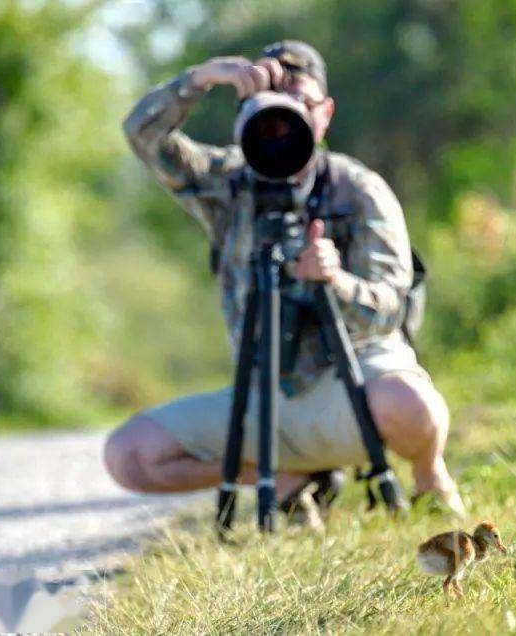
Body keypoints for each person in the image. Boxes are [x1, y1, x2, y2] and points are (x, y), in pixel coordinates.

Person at [104, 40, 465, 519]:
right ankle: (288, 479)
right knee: (129, 456)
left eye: (300, 104)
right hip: (263, 391)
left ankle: (427, 474)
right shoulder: (229, 183)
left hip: (353, 384)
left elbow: (392, 311)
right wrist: (199, 79)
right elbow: (141, 135)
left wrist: (336, 280)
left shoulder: (357, 190)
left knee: (414, 405)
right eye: (272, 105)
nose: (284, 119)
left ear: (326, 114)